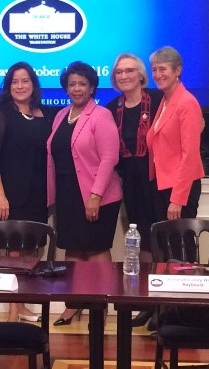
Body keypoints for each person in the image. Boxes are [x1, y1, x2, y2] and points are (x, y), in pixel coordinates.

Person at [47, 61, 122, 326]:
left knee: (96, 249)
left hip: (96, 195)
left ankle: (99, 305)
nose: (76, 88)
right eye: (72, 84)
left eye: (82, 83)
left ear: (91, 87)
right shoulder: (60, 115)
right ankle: (74, 304)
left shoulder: (101, 115)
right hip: (67, 194)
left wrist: (95, 196)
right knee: (73, 249)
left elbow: (109, 158)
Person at [0, 62, 54, 322]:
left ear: (34, 84)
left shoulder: (45, 113)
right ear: (8, 86)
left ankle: (23, 304)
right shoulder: (1, 114)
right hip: (9, 197)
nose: (20, 86)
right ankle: (13, 311)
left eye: (25, 81)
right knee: (13, 255)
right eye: (15, 81)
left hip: (38, 196)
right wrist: (0, 195)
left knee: (32, 252)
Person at [104, 52, 163, 328]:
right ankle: (149, 304)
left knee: (162, 240)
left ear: (141, 75)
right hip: (129, 182)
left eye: (129, 71)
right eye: (119, 72)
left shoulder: (161, 101)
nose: (124, 76)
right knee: (140, 243)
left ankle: (167, 306)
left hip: (159, 181)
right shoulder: (110, 107)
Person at [146, 46, 204, 225]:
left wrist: (178, 199)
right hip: (161, 184)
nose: (157, 74)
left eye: (162, 69)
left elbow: (190, 156)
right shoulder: (165, 101)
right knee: (164, 247)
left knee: (180, 250)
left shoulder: (187, 103)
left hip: (179, 189)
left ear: (177, 70)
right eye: (154, 69)